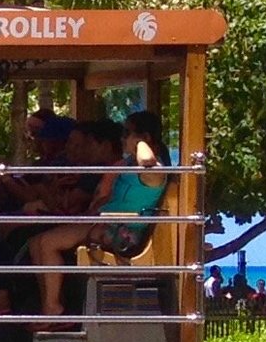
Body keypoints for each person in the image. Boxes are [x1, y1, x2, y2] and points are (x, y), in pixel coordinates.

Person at [30, 110, 171, 318]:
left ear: (146, 138)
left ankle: (53, 309)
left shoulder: (154, 173)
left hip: (121, 232)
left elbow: (148, 161)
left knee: (48, 243)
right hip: (106, 223)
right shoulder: (130, 165)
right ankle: (49, 306)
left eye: (127, 133)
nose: (122, 139)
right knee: (36, 242)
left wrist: (141, 143)